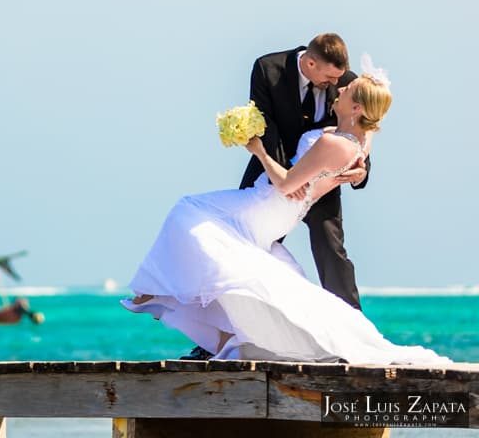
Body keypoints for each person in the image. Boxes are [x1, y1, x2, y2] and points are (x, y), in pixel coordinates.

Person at [121, 68, 449, 364]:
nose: (339, 91)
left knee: (188, 212)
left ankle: (162, 291)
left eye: (347, 93)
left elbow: (286, 183)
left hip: (268, 204)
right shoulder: (358, 144)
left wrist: (258, 149)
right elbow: (367, 132)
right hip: (285, 212)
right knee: (224, 256)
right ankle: (216, 332)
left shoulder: (335, 143)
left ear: (357, 108)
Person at [240, 33, 368, 311]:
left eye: (340, 79)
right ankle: (226, 336)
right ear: (310, 63)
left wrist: (361, 171)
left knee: (331, 250)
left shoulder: (347, 82)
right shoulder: (267, 69)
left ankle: (353, 332)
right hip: (272, 176)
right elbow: (267, 127)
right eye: (330, 78)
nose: (336, 85)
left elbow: (360, 128)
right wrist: (287, 178)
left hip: (322, 183)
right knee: (246, 248)